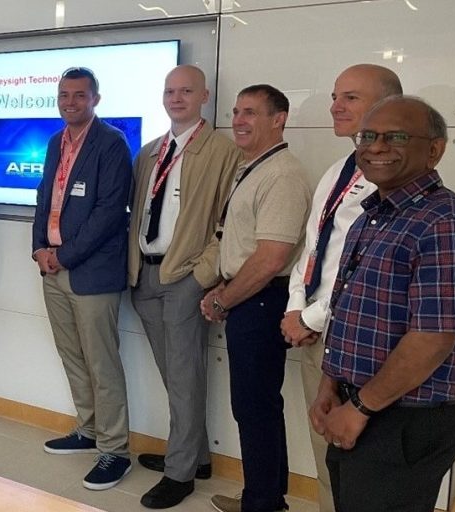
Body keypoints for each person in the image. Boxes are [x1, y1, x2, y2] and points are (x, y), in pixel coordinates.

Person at [310, 96, 455, 511]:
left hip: (406, 417)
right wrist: (330, 385)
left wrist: (359, 407)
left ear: (434, 149)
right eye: (368, 136)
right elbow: (349, 311)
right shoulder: (373, 214)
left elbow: (433, 339)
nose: (376, 146)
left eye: (395, 136)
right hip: (360, 402)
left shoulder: (444, 222)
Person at [278, 64, 401, 512]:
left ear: (388, 106)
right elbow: (314, 247)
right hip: (316, 333)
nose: (335, 106)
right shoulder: (338, 170)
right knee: (326, 455)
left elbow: (370, 270)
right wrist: (296, 307)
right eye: (334, 95)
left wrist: (308, 317)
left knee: (363, 466)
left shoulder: (394, 179)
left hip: (361, 340)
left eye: (349, 97)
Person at [127, 65, 240, 508]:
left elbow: (226, 225)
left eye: (186, 90)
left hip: (186, 279)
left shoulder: (222, 151)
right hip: (146, 275)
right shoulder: (150, 152)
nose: (177, 98)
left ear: (205, 96)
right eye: (170, 91)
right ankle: (197, 457)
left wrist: (202, 275)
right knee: (177, 376)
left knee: (185, 376)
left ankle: (181, 474)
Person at [202, 85, 310, 512]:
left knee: (255, 405)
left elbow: (270, 259)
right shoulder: (252, 167)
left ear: (279, 118)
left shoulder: (282, 174)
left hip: (262, 301)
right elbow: (240, 242)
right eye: (235, 111)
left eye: (250, 112)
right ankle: (264, 497)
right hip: (249, 296)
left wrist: (223, 300)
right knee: (256, 404)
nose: (239, 120)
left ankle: (262, 502)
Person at [32, 66, 134, 491]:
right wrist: (39, 247)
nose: (70, 102)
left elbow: (110, 213)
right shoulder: (57, 141)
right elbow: (45, 197)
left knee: (101, 362)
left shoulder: (111, 143)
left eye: (79, 95)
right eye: (64, 95)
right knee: (72, 355)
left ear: (95, 98)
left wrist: (64, 256)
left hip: (90, 271)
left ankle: (115, 449)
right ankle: (87, 430)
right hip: (52, 267)